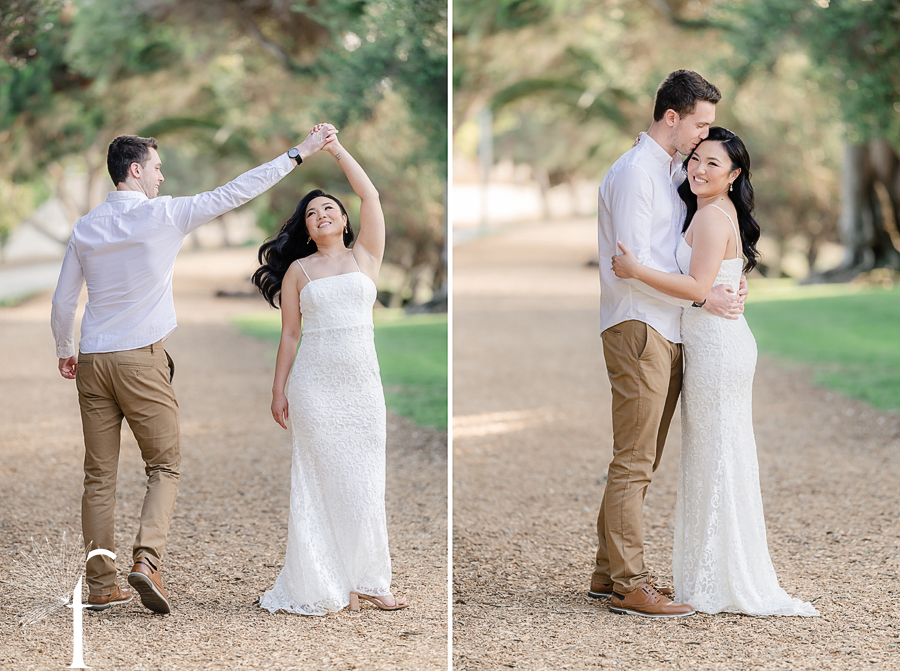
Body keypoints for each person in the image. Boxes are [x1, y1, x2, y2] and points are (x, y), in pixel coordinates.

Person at [50, 125, 337, 614]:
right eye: (157, 169)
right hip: (141, 358)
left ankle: (101, 585)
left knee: (98, 477)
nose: (163, 178)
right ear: (135, 170)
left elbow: (62, 302)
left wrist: (66, 348)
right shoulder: (166, 214)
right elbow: (237, 190)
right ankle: (146, 562)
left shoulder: (85, 227)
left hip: (95, 359)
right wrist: (299, 153)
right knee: (163, 465)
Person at [612, 127, 818, 616]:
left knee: (718, 456)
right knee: (715, 455)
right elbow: (720, 280)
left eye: (713, 164)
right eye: (697, 159)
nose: (699, 169)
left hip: (717, 349)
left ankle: (724, 576)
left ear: (734, 175)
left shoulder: (710, 217)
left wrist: (636, 270)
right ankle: (715, 570)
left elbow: (698, 284)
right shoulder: (709, 211)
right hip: (711, 344)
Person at [590, 70, 749, 619]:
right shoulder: (637, 173)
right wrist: (705, 298)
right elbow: (631, 266)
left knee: (642, 458)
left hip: (666, 324)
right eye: (700, 124)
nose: (705, 136)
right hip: (640, 324)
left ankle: (607, 572)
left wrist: (725, 276)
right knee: (634, 461)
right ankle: (629, 584)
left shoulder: (671, 171)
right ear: (672, 118)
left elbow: (689, 247)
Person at [252, 133, 406, 615]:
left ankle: (370, 581)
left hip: (362, 387)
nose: (322, 215)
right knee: (319, 480)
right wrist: (278, 390)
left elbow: (371, 196)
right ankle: (324, 581)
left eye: (329, 208)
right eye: (312, 212)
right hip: (315, 386)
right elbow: (291, 336)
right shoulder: (299, 270)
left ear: (343, 219)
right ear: (307, 226)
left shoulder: (366, 257)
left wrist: (335, 151)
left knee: (363, 481)